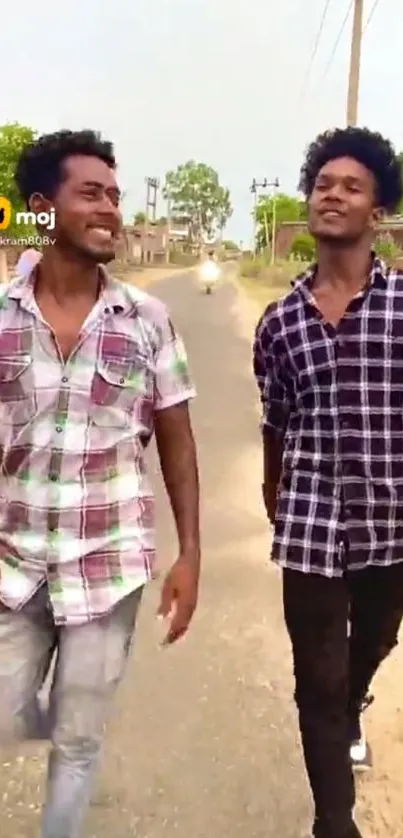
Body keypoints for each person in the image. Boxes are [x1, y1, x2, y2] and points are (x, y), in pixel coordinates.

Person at [0, 129, 200, 838]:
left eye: (115, 196)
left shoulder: (146, 321)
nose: (111, 209)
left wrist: (190, 555)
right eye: (92, 194)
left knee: (78, 742)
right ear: (41, 208)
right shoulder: (1, 317)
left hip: (107, 568)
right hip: (13, 566)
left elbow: (176, 438)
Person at [253, 127, 403, 838]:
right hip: (309, 526)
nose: (331, 194)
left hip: (391, 524)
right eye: (322, 184)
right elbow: (274, 419)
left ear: (375, 210)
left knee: (372, 641)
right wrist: (273, 493)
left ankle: (353, 704)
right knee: (315, 679)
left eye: (350, 186)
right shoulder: (278, 322)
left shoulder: (401, 308)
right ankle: (332, 822)